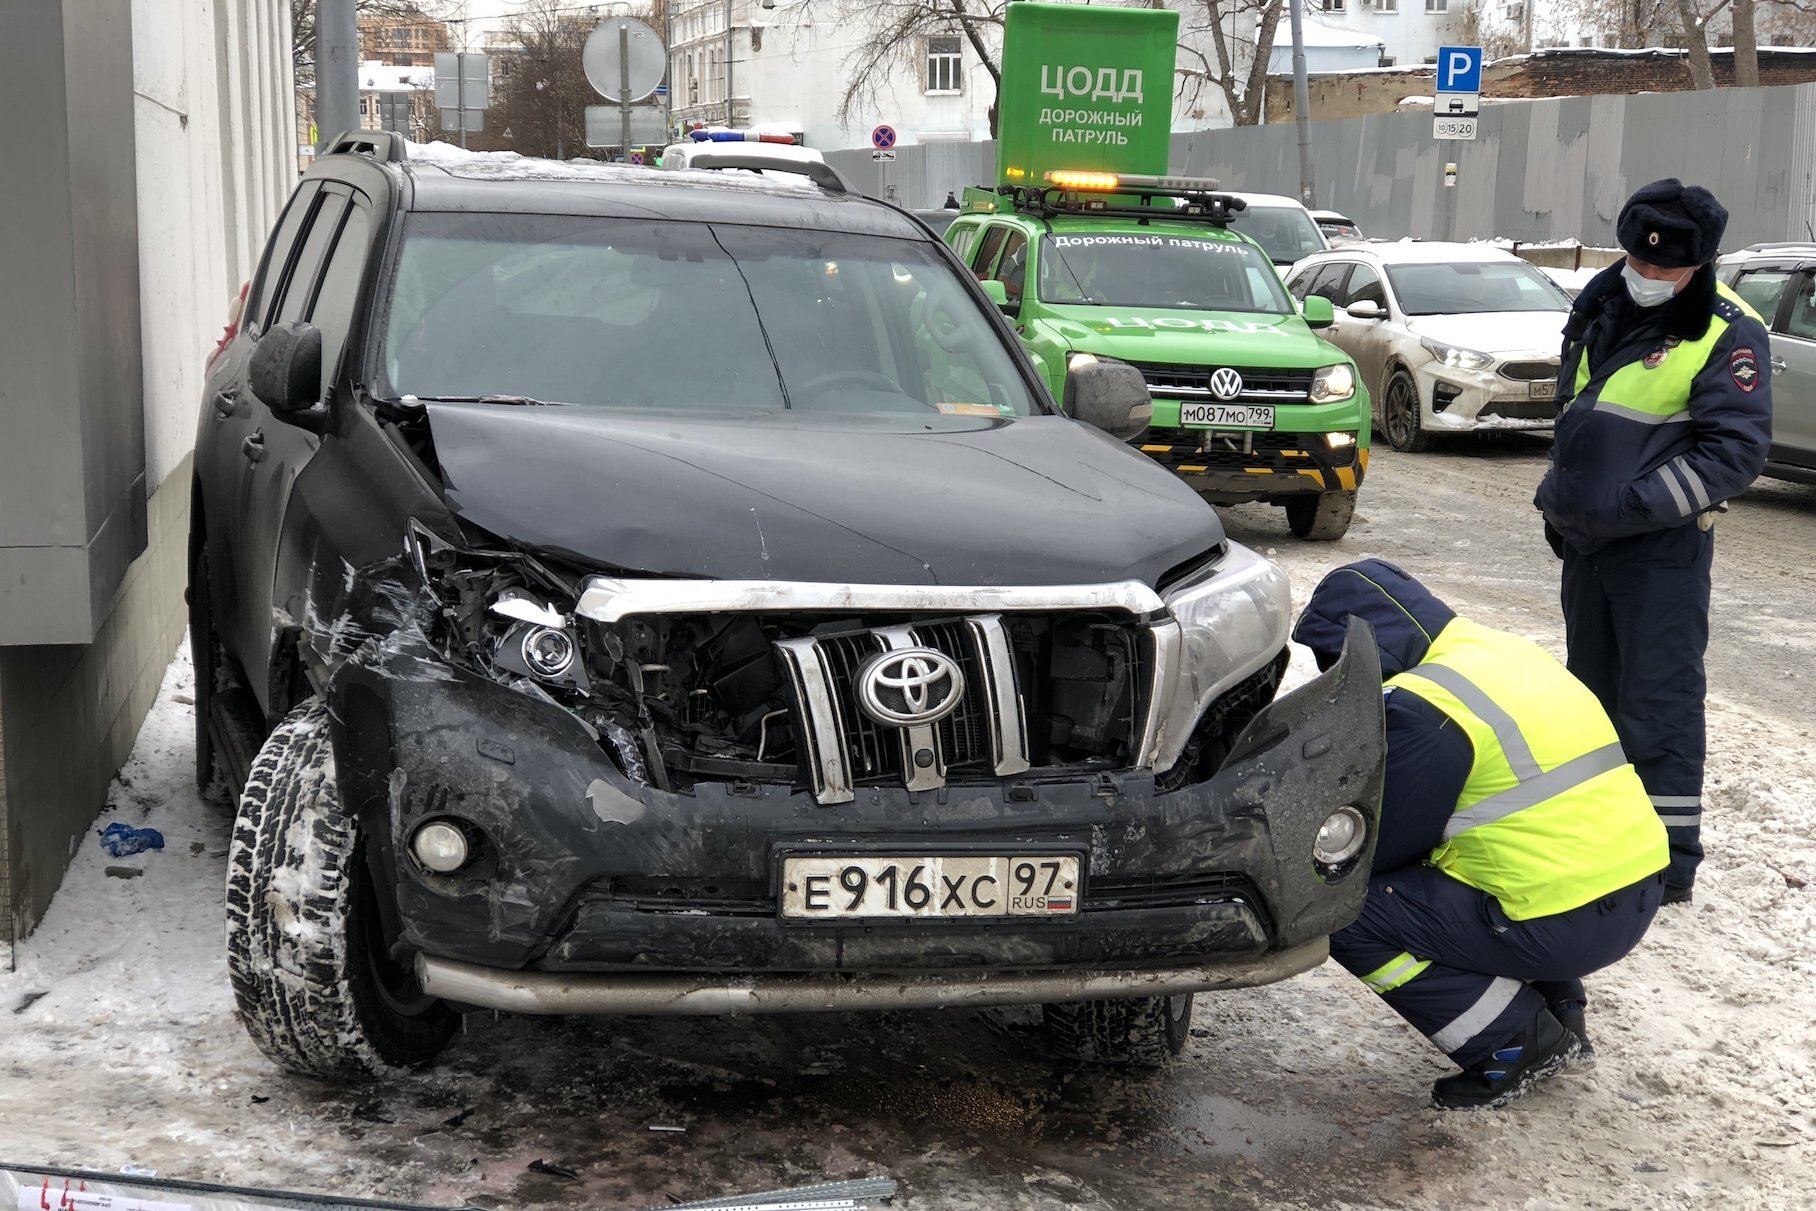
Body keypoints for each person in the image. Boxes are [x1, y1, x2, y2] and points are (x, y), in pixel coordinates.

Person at [1294, 560, 1668, 1110]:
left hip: (1563, 921)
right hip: (1635, 889)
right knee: (1496, 866)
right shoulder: (1504, 653)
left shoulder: (1430, 704)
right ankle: (1560, 1013)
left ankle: (1512, 1042)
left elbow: (1383, 843)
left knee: (1346, 908)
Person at [1534, 179, 1773, 905]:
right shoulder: (1602, 301)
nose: (1648, 274)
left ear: (1699, 264)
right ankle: (1601, 835)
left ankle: (1667, 862)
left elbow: (1733, 454)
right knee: (1591, 699)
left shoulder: (1729, 330)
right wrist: (1564, 501)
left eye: (1664, 268)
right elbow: (1577, 405)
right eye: (1638, 257)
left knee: (1658, 705)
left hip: (1660, 552)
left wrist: (1630, 506)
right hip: (1588, 544)